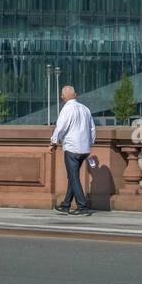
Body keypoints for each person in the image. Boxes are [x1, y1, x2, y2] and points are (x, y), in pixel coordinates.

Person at [49, 85, 95, 215]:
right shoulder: (85, 109)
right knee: (72, 175)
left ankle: (82, 206)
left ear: (62, 97)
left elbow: (60, 127)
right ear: (76, 95)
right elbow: (92, 129)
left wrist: (53, 142)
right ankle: (66, 205)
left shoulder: (66, 109)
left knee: (74, 177)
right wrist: (89, 143)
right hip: (84, 149)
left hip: (72, 148)